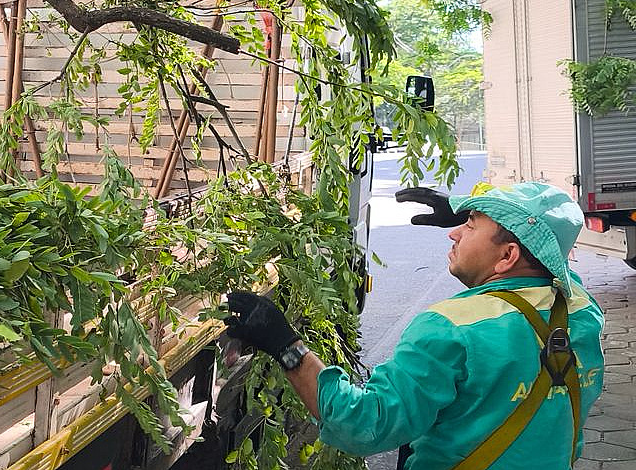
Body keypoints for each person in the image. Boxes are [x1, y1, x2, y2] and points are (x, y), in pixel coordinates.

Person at [223, 182, 604, 470]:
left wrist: (284, 344)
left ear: (507, 256)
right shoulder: (582, 309)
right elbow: (553, 262)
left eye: (469, 226)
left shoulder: (451, 329)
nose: (454, 232)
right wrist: (471, 214)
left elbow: (364, 423)